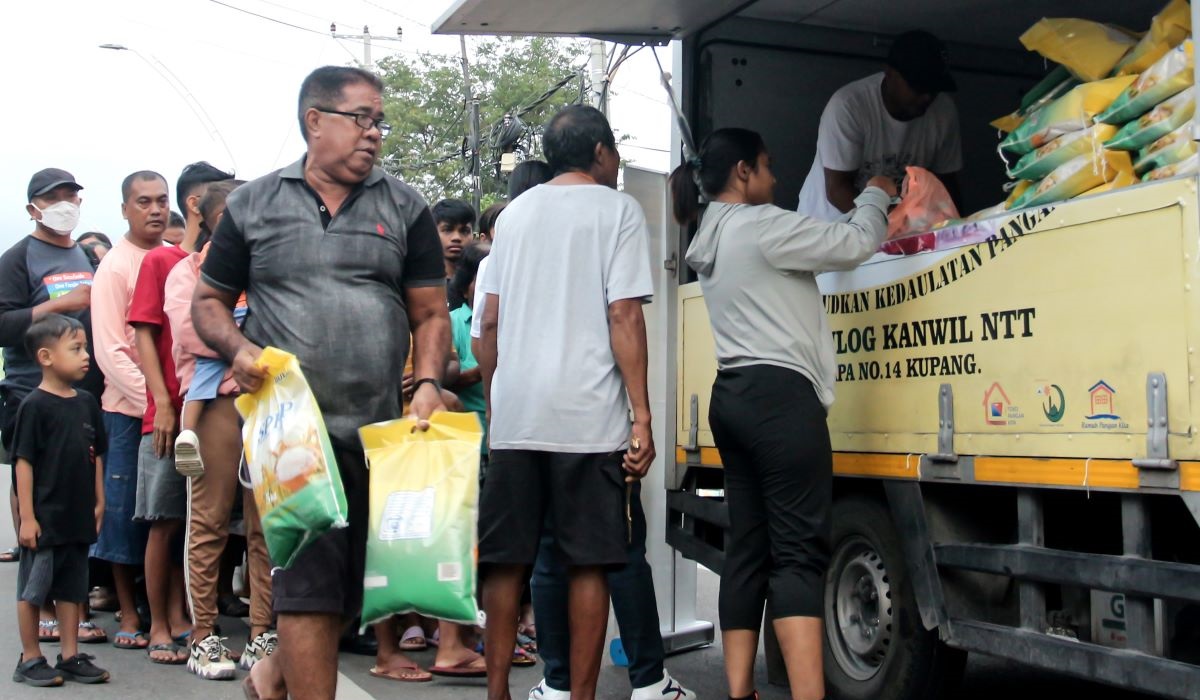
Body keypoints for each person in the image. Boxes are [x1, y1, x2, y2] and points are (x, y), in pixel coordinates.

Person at [193, 65, 450, 700]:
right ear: (315, 121)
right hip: (291, 432)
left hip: (380, 433)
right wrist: (239, 346)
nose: (374, 134)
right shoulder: (254, 203)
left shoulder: (406, 205)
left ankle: (273, 672)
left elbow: (430, 312)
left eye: (378, 122)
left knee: (350, 590)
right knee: (307, 589)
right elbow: (208, 303)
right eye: (361, 118)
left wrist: (427, 381)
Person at [671, 128, 894, 700]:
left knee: (748, 550)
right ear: (742, 172)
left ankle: (740, 692)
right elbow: (853, 245)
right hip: (780, 401)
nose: (776, 179)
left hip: (733, 396)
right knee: (798, 555)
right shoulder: (760, 226)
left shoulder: (709, 236)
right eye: (768, 167)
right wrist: (875, 193)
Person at [477, 104, 656, 700]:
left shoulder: (514, 215)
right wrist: (643, 414)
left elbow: (491, 321)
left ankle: (497, 689)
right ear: (601, 152)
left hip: (518, 415)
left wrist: (501, 403)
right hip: (587, 418)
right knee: (589, 562)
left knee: (507, 562)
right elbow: (623, 314)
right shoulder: (619, 210)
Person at [163, 178, 275, 679]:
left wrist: (240, 340)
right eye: (231, 212)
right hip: (217, 407)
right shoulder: (187, 272)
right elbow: (194, 334)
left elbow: (287, 327)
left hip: (270, 403)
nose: (243, 220)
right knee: (207, 522)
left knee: (266, 524)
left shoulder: (271, 267)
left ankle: (262, 632)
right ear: (207, 218)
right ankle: (203, 636)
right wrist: (249, 346)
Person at [0, 169, 109, 645]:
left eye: (72, 196)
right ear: (33, 209)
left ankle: (73, 607)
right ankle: (39, 600)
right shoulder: (17, 258)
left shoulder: (84, 254)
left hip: (82, 393)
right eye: (55, 197)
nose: (66, 203)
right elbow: (4, 325)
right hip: (29, 390)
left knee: (75, 492)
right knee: (34, 488)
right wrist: (59, 307)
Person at [91, 170, 170, 650]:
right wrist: (154, 402)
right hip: (128, 410)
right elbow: (111, 350)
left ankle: (164, 605)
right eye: (143, 202)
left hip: (170, 410)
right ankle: (126, 609)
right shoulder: (116, 266)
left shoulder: (174, 260)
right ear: (125, 209)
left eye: (161, 200)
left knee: (163, 514)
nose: (155, 210)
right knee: (122, 514)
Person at [127, 178, 204, 665]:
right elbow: (143, 334)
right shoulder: (162, 260)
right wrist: (163, 403)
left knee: (196, 524)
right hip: (169, 414)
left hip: (212, 413)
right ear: (198, 205)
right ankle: (158, 623)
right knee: (163, 520)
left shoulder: (221, 263)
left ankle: (184, 616)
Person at [10, 314, 110, 686]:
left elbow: (95, 453)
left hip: (78, 514)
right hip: (46, 516)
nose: (86, 355)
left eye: (85, 347)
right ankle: (31, 656)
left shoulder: (86, 403)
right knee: (34, 589)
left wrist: (99, 501)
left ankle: (69, 655)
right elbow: (24, 463)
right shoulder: (33, 406)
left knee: (72, 587)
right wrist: (27, 517)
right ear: (46, 357)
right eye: (76, 348)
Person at [796, 30, 961, 220]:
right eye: (918, 87)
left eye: (934, 89)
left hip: (893, 228)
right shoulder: (849, 105)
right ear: (890, 73)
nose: (927, 97)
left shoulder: (943, 112)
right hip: (831, 226)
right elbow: (837, 189)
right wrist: (890, 228)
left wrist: (958, 230)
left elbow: (946, 185)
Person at [432, 198, 475, 310]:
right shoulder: (422, 285)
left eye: (464, 231)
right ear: (432, 233)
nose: (456, 238)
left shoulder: (482, 282)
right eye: (447, 230)